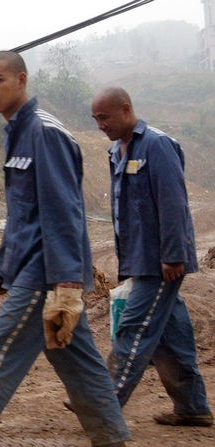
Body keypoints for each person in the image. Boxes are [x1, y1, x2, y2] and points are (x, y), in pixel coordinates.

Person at [0, 51, 131, 447]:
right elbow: (21, 212)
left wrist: (66, 285)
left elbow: (63, 209)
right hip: (31, 265)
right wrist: (1, 265)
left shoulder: (44, 132)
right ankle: (112, 436)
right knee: (77, 359)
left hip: (45, 271)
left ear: (21, 79)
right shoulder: (17, 131)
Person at [90, 87, 212, 426]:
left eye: (105, 117)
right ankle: (193, 408)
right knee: (171, 338)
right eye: (95, 119)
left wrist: (174, 255)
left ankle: (102, 401)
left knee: (135, 328)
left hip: (162, 260)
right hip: (139, 257)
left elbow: (174, 203)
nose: (100, 125)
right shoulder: (116, 151)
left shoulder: (157, 145)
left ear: (126, 110)